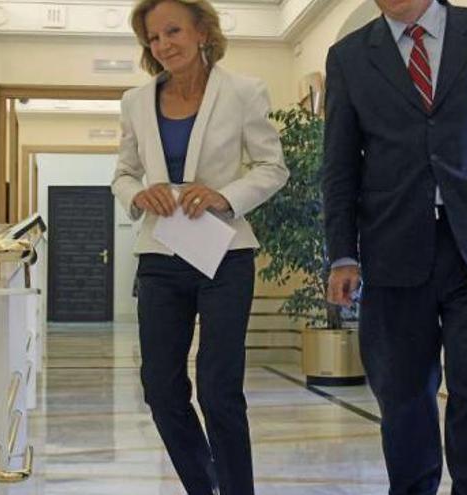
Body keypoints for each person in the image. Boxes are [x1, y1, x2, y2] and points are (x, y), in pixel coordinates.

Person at [321, 0, 467, 493]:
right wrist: (342, 252)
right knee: (403, 395)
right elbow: (339, 166)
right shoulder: (350, 56)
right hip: (392, 247)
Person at [112, 1, 288, 492]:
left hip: (225, 254)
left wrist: (224, 196)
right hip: (160, 255)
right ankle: (202, 483)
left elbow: (272, 167)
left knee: (219, 389)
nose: (164, 44)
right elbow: (123, 174)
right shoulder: (135, 101)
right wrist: (137, 193)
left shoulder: (244, 92)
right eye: (154, 37)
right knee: (161, 389)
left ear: (202, 31)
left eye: (173, 31)